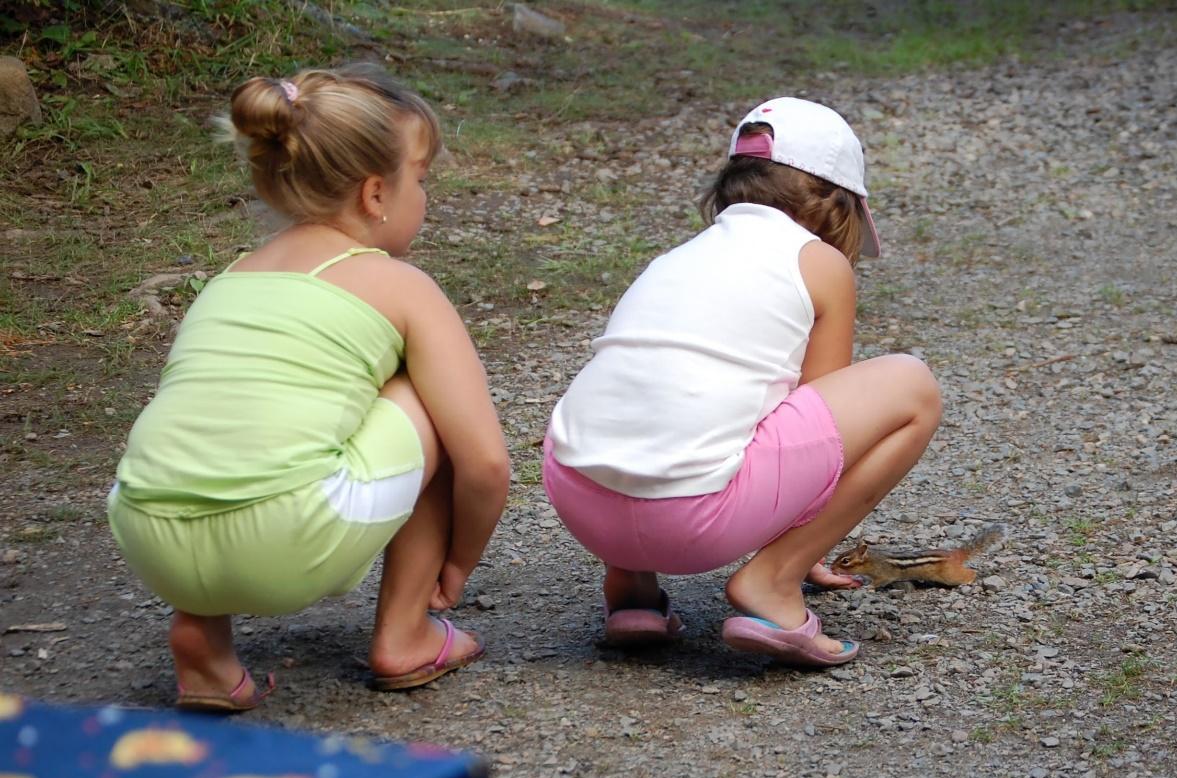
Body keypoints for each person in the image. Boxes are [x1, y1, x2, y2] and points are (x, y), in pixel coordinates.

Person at [107, 66, 510, 710]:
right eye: (422, 179)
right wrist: (458, 563)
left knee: (222, 418)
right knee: (430, 401)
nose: (425, 196)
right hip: (286, 538)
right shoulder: (401, 285)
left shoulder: (229, 280)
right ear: (377, 193)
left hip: (147, 532)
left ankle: (203, 638)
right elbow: (486, 464)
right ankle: (406, 632)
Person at [542, 97, 941, 667]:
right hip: (692, 524)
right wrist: (805, 547)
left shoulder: (673, 260)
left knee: (644, 386)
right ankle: (773, 582)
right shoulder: (819, 262)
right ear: (838, 205)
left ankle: (631, 591)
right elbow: (820, 426)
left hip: (581, 503)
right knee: (912, 386)